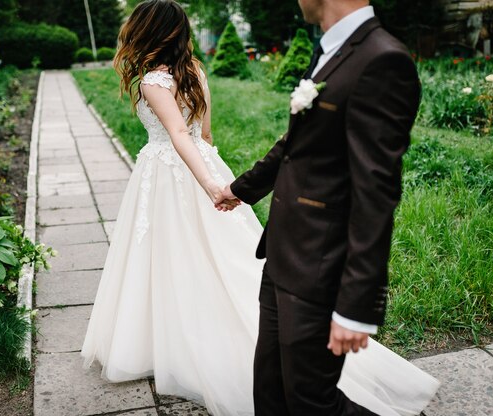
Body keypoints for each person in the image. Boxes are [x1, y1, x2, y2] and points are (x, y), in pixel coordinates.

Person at [81, 1, 439, 415]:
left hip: (184, 175)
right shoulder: (198, 70)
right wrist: (232, 186)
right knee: (268, 378)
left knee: (178, 258)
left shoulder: (377, 59)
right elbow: (219, 135)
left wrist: (211, 184)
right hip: (218, 175)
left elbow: (179, 135)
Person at [217, 0, 438, 414]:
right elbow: (296, 144)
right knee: (271, 391)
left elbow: (376, 194)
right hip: (283, 252)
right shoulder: (330, 49)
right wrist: (240, 188)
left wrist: (356, 307)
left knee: (311, 402)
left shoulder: (383, 60)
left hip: (321, 267)